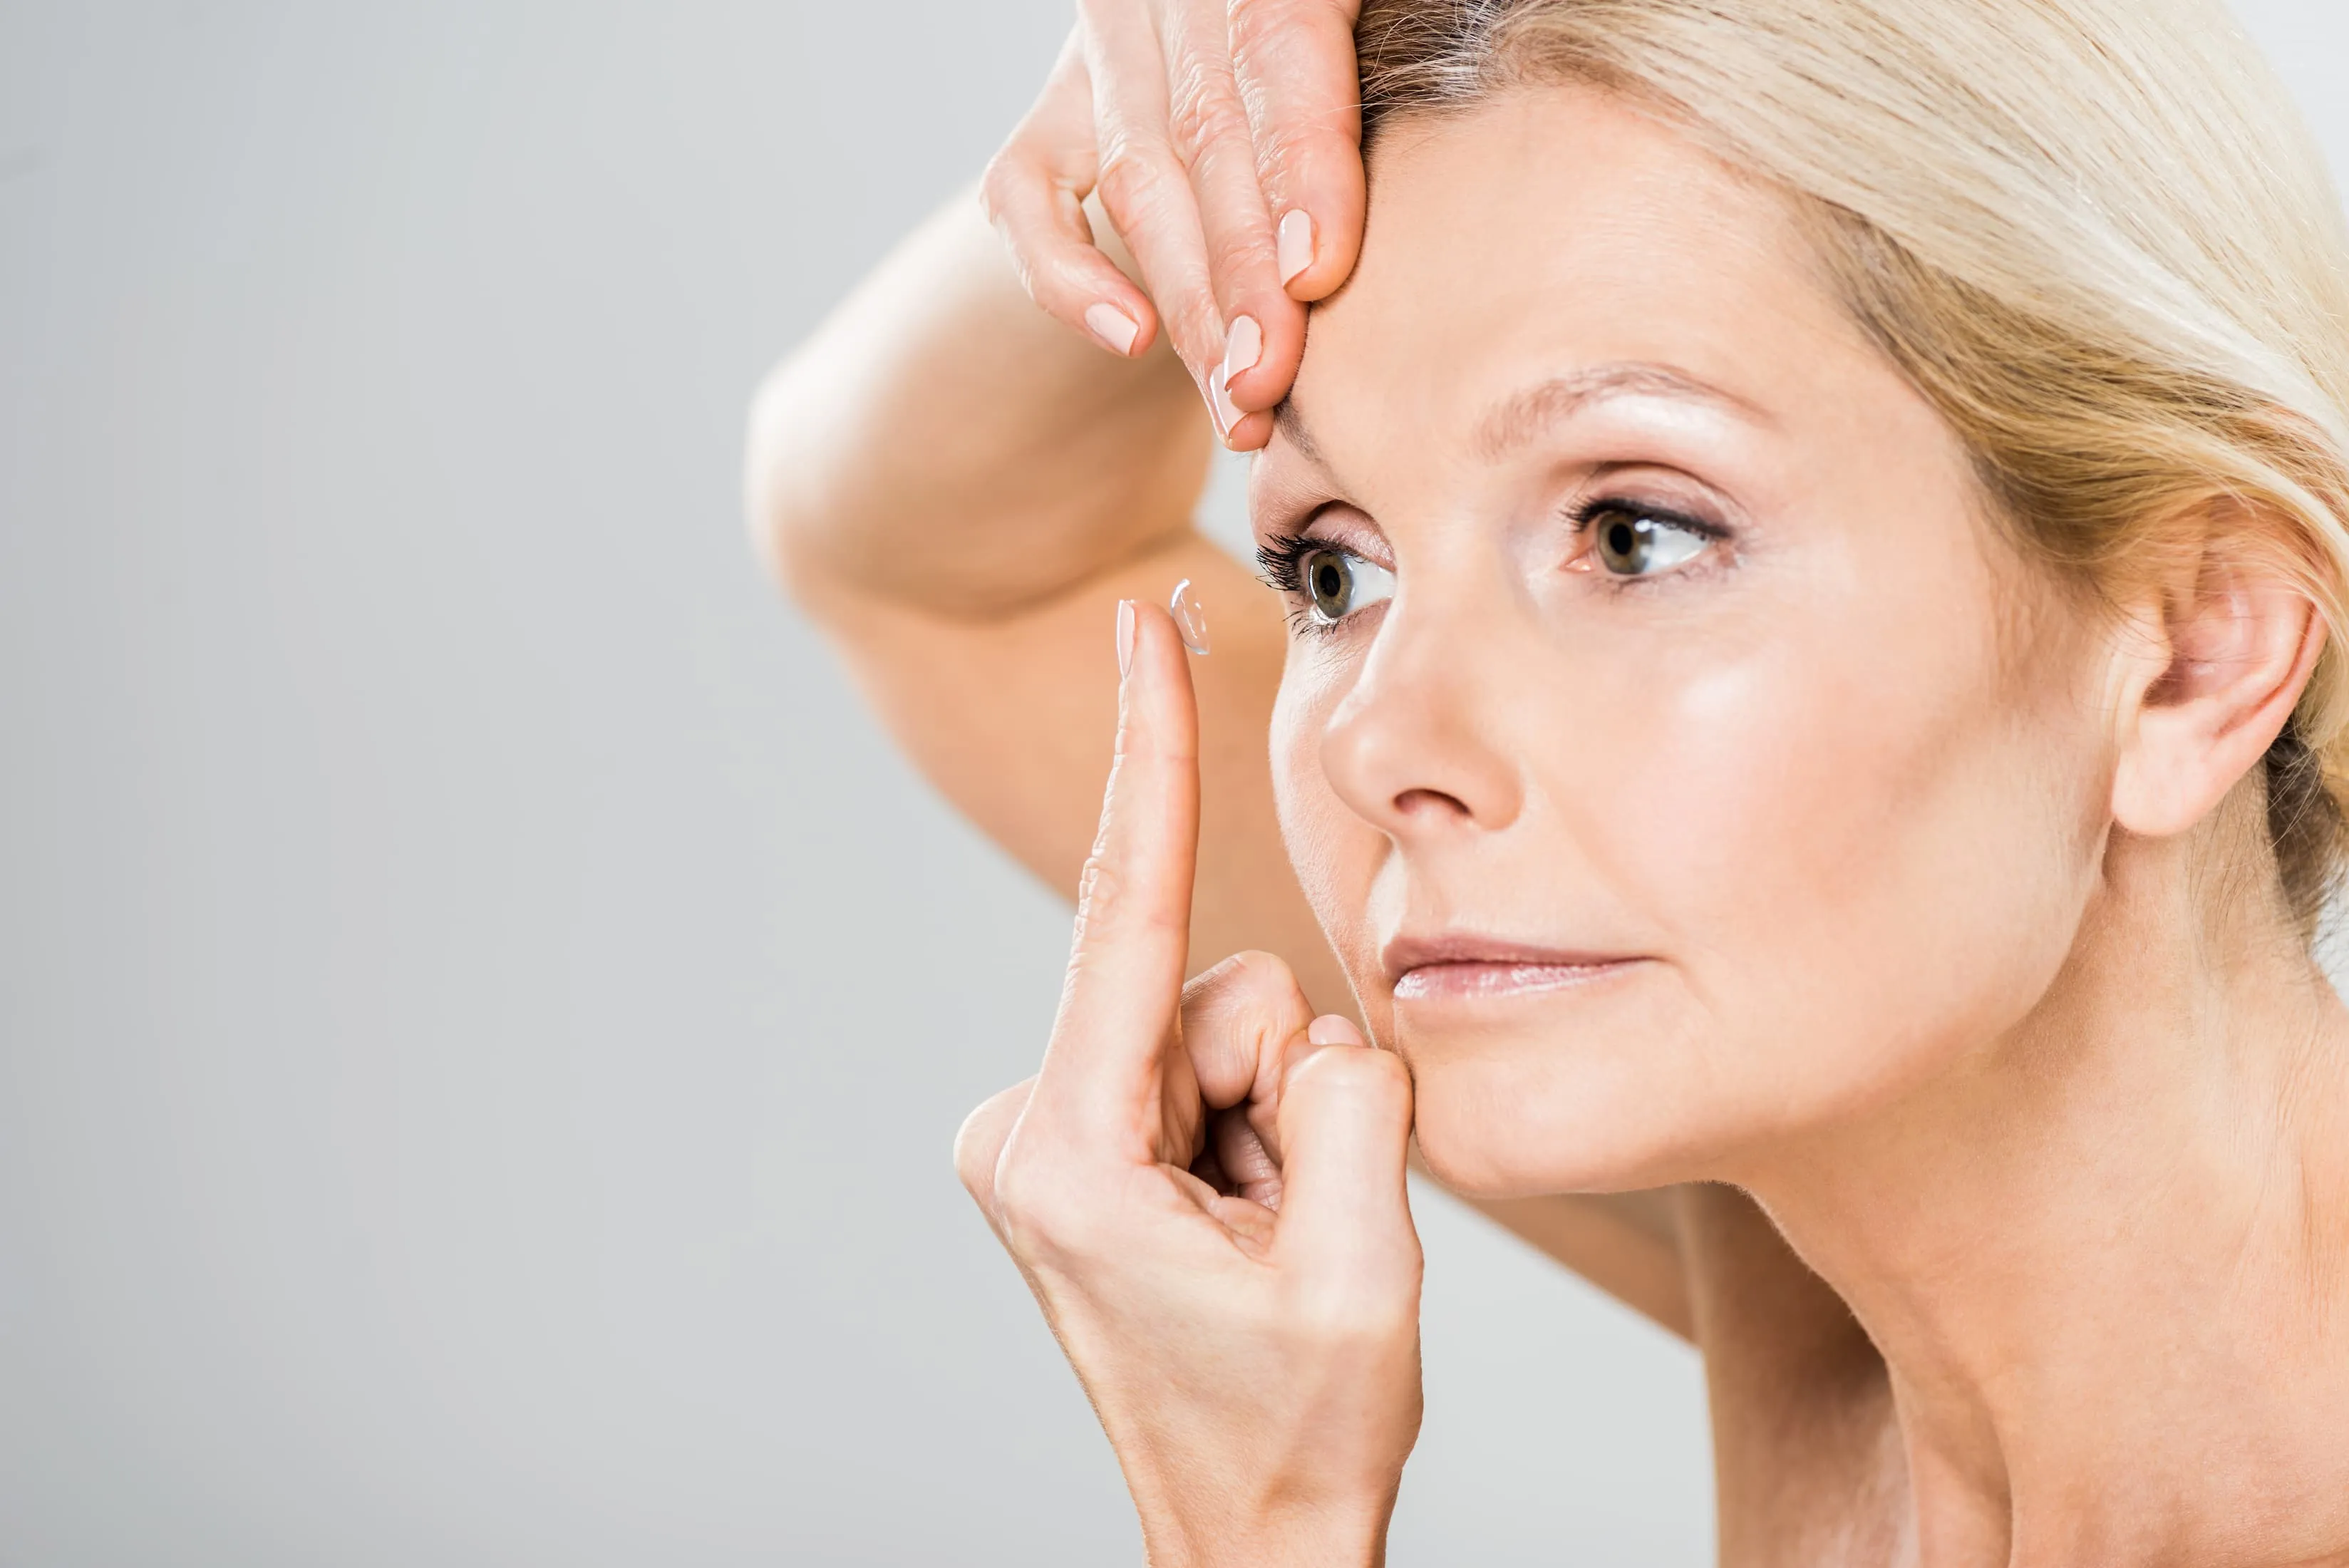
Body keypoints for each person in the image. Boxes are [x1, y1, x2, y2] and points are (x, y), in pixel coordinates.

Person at [748, 0, 2349, 1560]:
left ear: (2199, 646)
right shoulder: (1832, 1197)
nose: (1376, 744)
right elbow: (917, 547)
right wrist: (1183, 103)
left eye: (1635, 530)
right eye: (1329, 570)